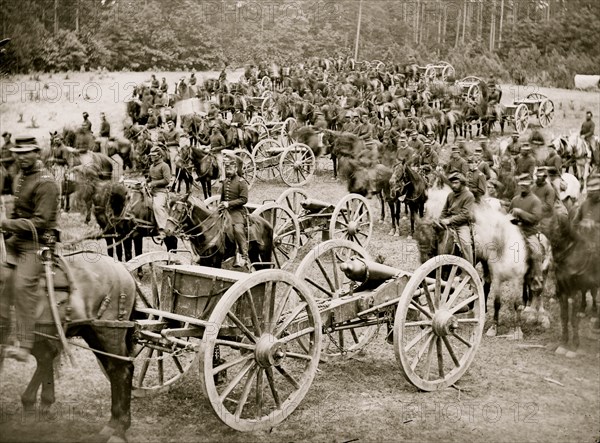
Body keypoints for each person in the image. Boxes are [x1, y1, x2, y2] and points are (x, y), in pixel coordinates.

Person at [0, 136, 60, 362]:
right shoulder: (20, 176)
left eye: (26, 152)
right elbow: (17, 213)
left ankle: (24, 344)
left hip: (38, 242)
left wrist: (6, 224)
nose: (21, 157)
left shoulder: (46, 182)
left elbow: (41, 222)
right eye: (18, 152)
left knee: (23, 285)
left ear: (37, 152)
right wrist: (8, 231)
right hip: (17, 239)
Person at [508, 173, 544, 303]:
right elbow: (509, 215)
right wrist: (511, 219)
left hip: (529, 233)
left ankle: (538, 280)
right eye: (521, 185)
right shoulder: (515, 199)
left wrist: (520, 213)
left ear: (530, 185)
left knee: (536, 252)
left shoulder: (535, 201)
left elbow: (536, 218)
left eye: (525, 185)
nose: (523, 187)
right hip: (516, 232)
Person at [437, 172, 475, 264]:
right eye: (452, 183)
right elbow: (444, 210)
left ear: (462, 183)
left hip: (461, 224)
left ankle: (468, 270)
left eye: (456, 183)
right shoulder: (450, 195)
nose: (453, 185)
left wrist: (449, 221)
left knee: (466, 244)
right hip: (447, 222)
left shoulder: (469, 196)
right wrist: (440, 220)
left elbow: (465, 215)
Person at [219, 154, 249, 268]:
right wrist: (220, 206)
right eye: (227, 168)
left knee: (237, 230)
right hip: (224, 211)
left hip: (237, 212)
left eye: (231, 168)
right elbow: (222, 198)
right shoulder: (225, 182)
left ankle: (243, 255)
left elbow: (244, 199)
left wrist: (229, 204)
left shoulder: (241, 182)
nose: (228, 170)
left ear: (236, 169)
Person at [147, 146, 171, 237]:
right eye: (151, 155)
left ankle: (162, 228)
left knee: (157, 206)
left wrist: (153, 184)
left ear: (159, 156)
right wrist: (145, 182)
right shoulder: (151, 166)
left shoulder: (165, 166)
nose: (151, 157)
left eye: (154, 155)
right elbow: (149, 178)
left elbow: (167, 180)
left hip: (161, 191)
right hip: (151, 191)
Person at [532, 167, 556, 234]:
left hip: (546, 217)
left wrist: (535, 208)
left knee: (545, 234)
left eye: (540, 177)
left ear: (544, 177)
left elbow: (548, 206)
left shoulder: (549, 189)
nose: (537, 178)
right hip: (535, 215)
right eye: (537, 176)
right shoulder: (533, 187)